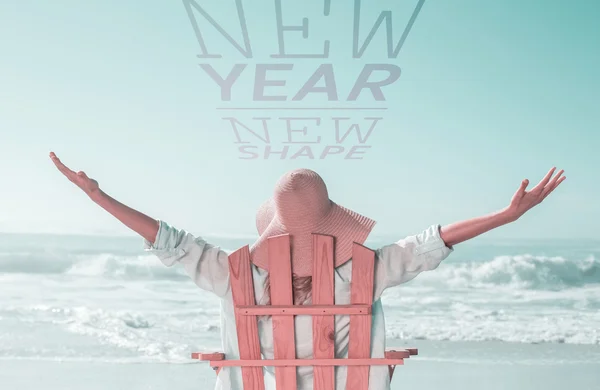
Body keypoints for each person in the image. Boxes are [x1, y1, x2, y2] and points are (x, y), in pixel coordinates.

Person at [49, 152, 565, 390]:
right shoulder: (365, 270)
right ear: (333, 225)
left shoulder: (231, 274)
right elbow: (435, 241)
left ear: (271, 228)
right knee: (378, 361)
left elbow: (164, 239)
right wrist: (505, 215)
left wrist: (99, 197)